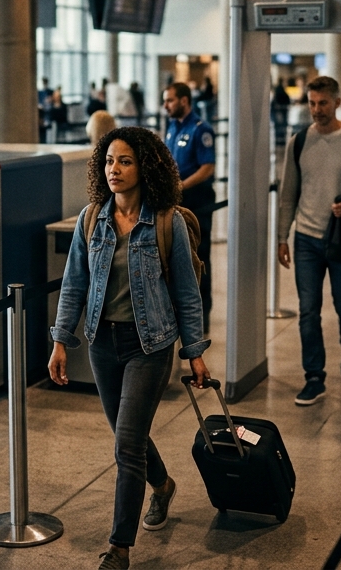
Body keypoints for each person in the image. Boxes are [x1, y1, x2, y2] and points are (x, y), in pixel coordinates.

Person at [50, 127, 210, 570]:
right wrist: (61, 340)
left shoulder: (166, 220)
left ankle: (119, 547)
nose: (114, 170)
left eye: (125, 161)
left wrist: (193, 349)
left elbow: (186, 290)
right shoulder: (91, 217)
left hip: (151, 343)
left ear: (145, 167)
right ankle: (162, 485)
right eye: (109, 162)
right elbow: (73, 285)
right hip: (103, 344)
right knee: (129, 436)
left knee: (125, 443)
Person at [276, 76, 341, 404]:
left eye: (323, 103)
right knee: (309, 310)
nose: (316, 110)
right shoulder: (298, 142)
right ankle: (314, 376)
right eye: (311, 103)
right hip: (306, 239)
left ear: (337, 102)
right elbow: (288, 194)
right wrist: (282, 236)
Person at [162, 83, 218, 332]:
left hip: (197, 200)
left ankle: (202, 313)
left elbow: (208, 167)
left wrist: (182, 186)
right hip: (176, 201)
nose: (166, 105)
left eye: (170, 100)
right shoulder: (173, 127)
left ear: (185, 101)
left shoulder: (201, 130)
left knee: (199, 256)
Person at [270, 81, 291, 146]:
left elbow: (272, 106)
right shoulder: (285, 95)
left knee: (277, 129)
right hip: (283, 115)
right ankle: (282, 142)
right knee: (283, 129)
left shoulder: (276, 96)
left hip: (276, 116)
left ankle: (278, 142)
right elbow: (288, 103)